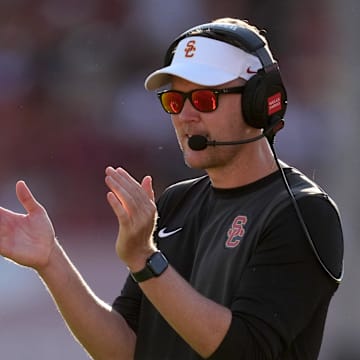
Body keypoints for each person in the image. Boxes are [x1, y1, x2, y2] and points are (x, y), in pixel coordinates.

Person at [0, 17, 344, 360]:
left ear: (258, 101)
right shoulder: (177, 201)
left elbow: (246, 350)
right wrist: (50, 260)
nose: (185, 116)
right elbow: (125, 350)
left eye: (205, 99)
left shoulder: (303, 211)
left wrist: (146, 260)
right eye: (175, 102)